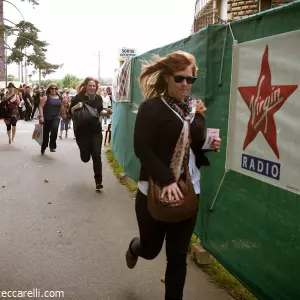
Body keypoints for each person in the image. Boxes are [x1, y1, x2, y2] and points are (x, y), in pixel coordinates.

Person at [125, 51, 222, 300]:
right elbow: (142, 148)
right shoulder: (151, 108)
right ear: (167, 77)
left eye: (190, 80)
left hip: (189, 190)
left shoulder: (196, 109)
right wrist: (166, 180)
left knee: (178, 256)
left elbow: (196, 145)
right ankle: (135, 248)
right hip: (154, 191)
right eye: (180, 79)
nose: (185, 85)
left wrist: (210, 145)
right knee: (151, 249)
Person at [69, 77, 112, 191]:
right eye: (90, 85)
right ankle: (84, 153)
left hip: (96, 130)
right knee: (85, 158)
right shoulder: (79, 97)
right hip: (82, 131)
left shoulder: (98, 98)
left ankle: (98, 182)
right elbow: (71, 111)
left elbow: (100, 112)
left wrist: (106, 112)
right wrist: (76, 106)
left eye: (94, 86)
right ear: (85, 86)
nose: (92, 88)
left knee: (97, 155)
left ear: (96, 87)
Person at [39, 84, 62, 155]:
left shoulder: (60, 98)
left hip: (56, 117)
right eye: (52, 88)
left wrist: (64, 114)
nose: (54, 90)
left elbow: (62, 107)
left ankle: (52, 146)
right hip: (47, 118)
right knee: (46, 135)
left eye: (55, 89)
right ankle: (43, 147)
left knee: (54, 129)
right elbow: (40, 107)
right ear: (49, 89)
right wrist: (41, 116)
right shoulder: (46, 97)